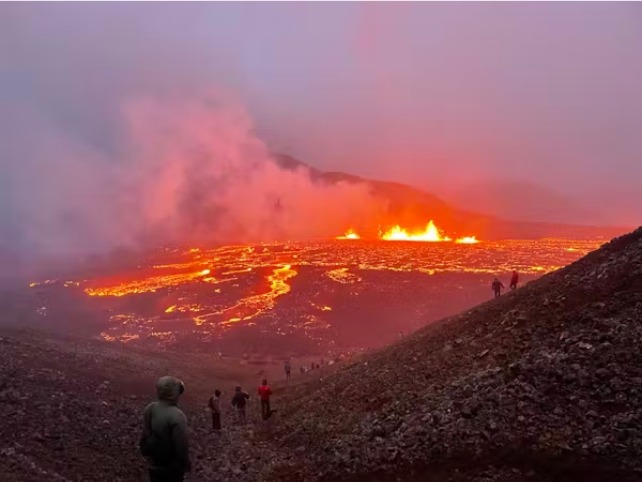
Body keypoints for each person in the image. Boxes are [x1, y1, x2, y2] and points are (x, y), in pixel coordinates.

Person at [140, 376, 191, 482]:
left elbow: (145, 434)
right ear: (174, 393)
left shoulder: (151, 408)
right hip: (171, 468)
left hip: (154, 464)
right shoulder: (177, 415)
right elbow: (181, 445)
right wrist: (185, 463)